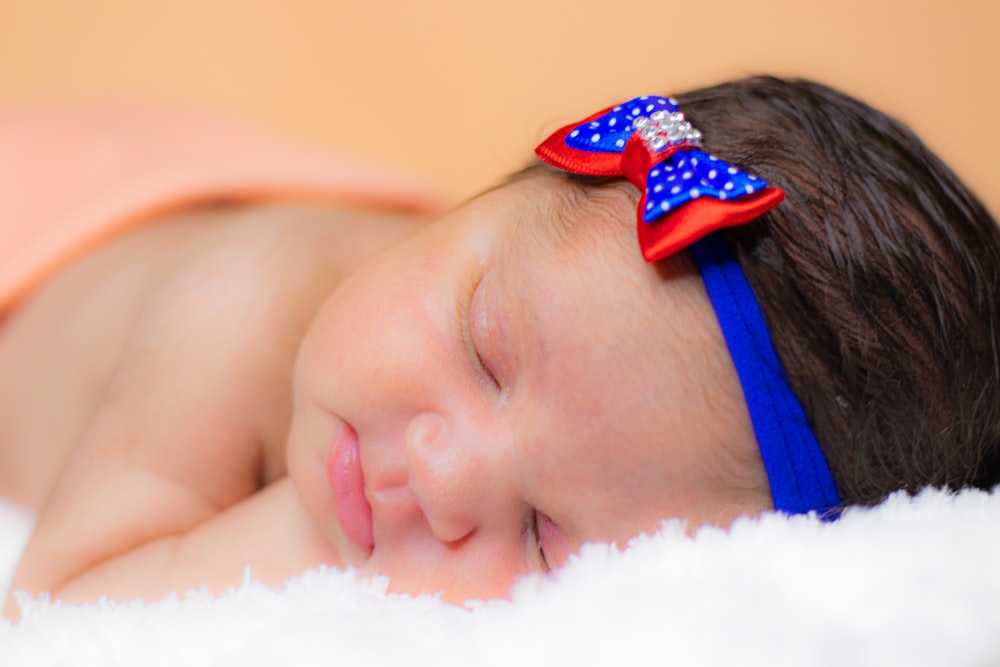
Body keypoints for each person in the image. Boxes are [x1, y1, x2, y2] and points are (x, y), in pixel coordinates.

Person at [2, 76, 998, 621]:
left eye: (542, 534)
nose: (437, 472)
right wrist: (313, 541)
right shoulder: (236, 303)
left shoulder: (539, 312)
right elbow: (66, 606)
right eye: (483, 352)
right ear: (498, 189)